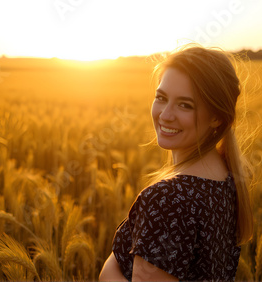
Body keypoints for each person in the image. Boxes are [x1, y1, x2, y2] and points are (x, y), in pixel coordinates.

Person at [99, 45, 254, 281]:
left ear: (216, 117)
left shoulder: (168, 199)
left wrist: (108, 272)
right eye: (161, 98)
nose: (165, 115)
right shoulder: (226, 179)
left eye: (185, 104)